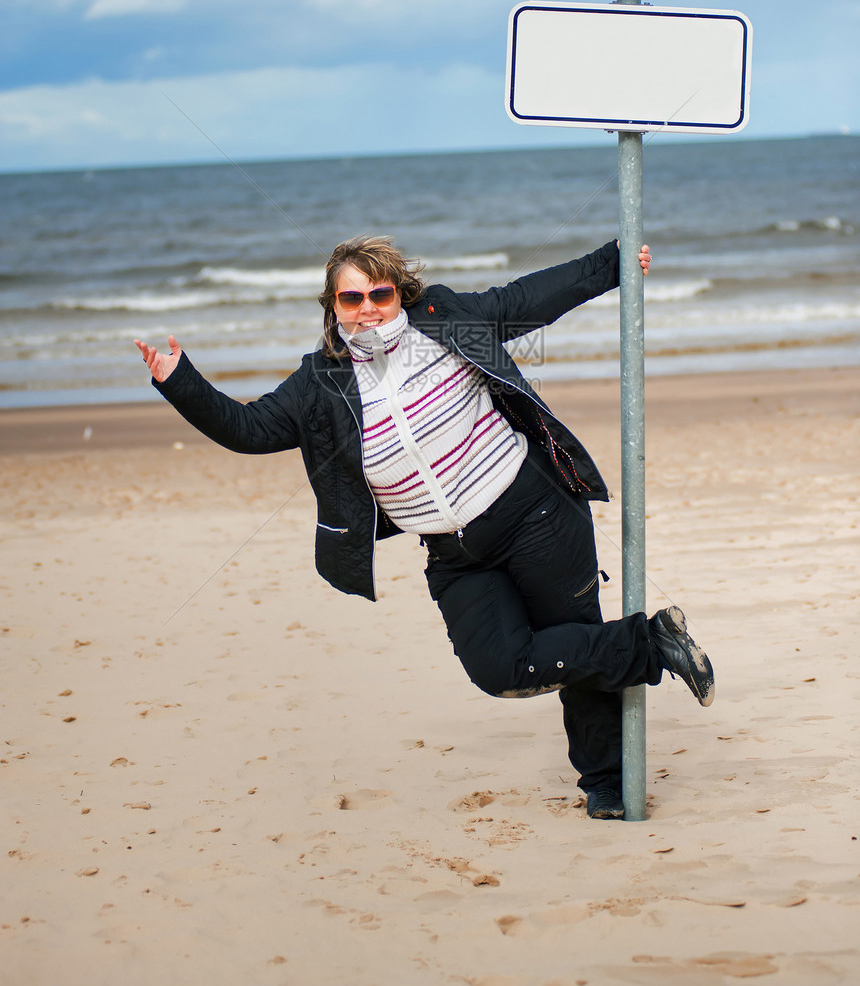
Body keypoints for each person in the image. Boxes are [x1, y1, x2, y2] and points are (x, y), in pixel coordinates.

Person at [135, 235, 714, 821]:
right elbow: (249, 429)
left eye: (378, 293)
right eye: (351, 298)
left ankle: (607, 781)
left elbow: (532, 296)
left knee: (574, 637)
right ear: (332, 307)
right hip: (456, 554)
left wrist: (612, 261)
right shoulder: (321, 382)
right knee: (499, 667)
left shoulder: (447, 323)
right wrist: (178, 379)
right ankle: (652, 639)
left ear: (400, 293)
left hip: (533, 513)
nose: (367, 308)